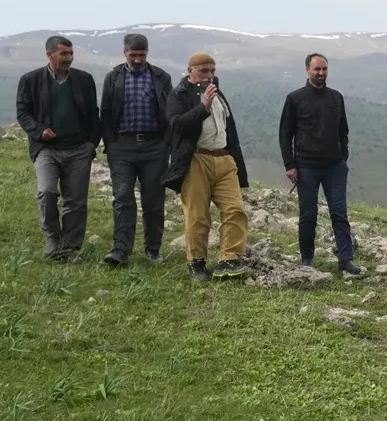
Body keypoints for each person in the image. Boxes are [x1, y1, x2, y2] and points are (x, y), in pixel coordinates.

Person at [162, 52, 251, 281]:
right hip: (196, 160)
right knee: (198, 215)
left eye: (213, 70)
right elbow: (177, 125)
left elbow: (228, 129)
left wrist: (234, 158)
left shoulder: (217, 92)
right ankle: (197, 263)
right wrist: (203, 107)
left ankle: (229, 259)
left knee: (235, 210)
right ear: (190, 70)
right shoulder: (178, 95)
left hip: (223, 158)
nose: (210, 75)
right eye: (204, 70)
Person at [15, 35, 102, 262]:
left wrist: (90, 144)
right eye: (64, 54)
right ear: (49, 54)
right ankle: (52, 238)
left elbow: (94, 113)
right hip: (46, 149)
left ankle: (69, 249)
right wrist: (39, 130)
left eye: (71, 53)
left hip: (79, 149)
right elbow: (23, 113)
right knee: (46, 192)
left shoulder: (84, 80)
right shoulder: (30, 80)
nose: (69, 58)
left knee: (76, 201)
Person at [278, 53, 362, 275]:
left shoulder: (336, 98)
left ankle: (345, 259)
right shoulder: (295, 99)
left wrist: (343, 157)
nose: (321, 73)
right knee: (308, 214)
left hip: (334, 166)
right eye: (317, 69)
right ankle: (307, 260)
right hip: (307, 167)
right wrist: (290, 165)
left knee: (339, 213)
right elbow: (285, 134)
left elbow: (343, 129)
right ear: (307, 70)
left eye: (324, 69)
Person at [99, 33, 172, 267]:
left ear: (147, 53)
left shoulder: (161, 77)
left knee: (153, 200)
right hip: (122, 147)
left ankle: (153, 249)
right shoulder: (113, 78)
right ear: (124, 53)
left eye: (142, 55)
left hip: (154, 147)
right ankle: (121, 250)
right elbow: (106, 112)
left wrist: (166, 144)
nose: (138, 59)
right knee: (122, 197)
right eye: (134, 55)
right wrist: (110, 144)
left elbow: (169, 112)